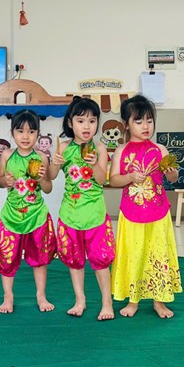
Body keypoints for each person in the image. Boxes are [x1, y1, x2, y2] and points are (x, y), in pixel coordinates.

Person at [109, 94, 182, 318]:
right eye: (139, 121)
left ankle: (159, 301)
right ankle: (133, 300)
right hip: (131, 213)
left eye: (149, 121)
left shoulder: (161, 149)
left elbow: (173, 178)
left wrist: (172, 172)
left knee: (158, 254)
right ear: (126, 124)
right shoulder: (121, 151)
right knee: (135, 254)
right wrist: (130, 176)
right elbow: (114, 180)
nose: (145, 126)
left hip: (158, 212)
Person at [49, 97, 115, 321]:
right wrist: (55, 162)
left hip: (95, 213)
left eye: (92, 121)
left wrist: (94, 163)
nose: (87, 126)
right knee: (75, 261)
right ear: (70, 123)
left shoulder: (100, 148)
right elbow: (51, 176)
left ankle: (106, 302)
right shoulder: (64, 147)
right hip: (70, 213)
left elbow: (101, 180)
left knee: (100, 261)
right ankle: (80, 300)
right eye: (81, 121)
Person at [0, 109, 57, 313]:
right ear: (12, 132)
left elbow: (48, 188)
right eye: (20, 131)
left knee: (40, 259)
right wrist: (6, 181)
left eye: (31, 132)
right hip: (11, 215)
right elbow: (0, 181)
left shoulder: (41, 157)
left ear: (38, 133)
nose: (25, 136)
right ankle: (8, 296)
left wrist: (42, 178)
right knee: (7, 257)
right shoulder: (6, 155)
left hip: (36, 215)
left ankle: (41, 295)